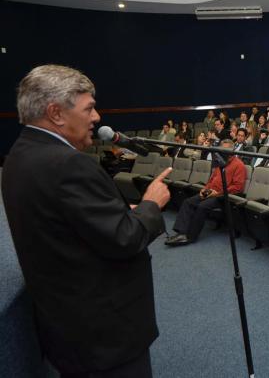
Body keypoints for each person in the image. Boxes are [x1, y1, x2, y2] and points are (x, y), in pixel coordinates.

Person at [2, 65, 171, 377]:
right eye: (89, 108)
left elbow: (69, 222)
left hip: (68, 327)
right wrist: (150, 204)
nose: (97, 118)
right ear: (56, 113)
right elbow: (125, 239)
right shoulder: (68, 164)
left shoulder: (20, 156)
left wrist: (117, 211)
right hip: (103, 333)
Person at [166, 139, 246, 247]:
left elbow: (237, 188)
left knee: (202, 206)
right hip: (210, 192)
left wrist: (217, 193)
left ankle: (190, 237)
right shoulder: (220, 162)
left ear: (232, 150)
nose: (222, 151)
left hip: (223, 196)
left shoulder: (239, 165)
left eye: (225, 149)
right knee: (188, 202)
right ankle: (181, 233)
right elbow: (212, 179)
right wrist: (205, 189)